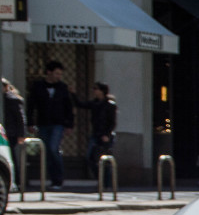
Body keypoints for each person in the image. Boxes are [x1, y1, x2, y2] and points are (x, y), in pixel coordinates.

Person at [27, 61, 77, 189]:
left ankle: (58, 179)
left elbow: (68, 106)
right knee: (47, 151)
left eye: (60, 74)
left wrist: (69, 124)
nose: (58, 76)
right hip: (43, 122)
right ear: (49, 72)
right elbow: (31, 105)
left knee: (53, 148)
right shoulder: (38, 86)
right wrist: (30, 122)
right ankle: (52, 179)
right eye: (56, 73)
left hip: (58, 123)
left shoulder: (62, 87)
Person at [77, 82, 118, 184]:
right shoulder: (94, 103)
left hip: (105, 135)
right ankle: (100, 179)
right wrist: (72, 94)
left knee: (105, 159)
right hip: (95, 134)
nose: (94, 91)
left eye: (96, 89)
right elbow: (81, 104)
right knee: (90, 158)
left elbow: (112, 122)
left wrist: (107, 134)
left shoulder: (110, 105)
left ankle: (106, 183)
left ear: (102, 91)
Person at [2, 78, 26, 153]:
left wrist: (21, 134)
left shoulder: (12, 100)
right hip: (7, 131)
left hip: (11, 132)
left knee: (10, 152)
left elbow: (20, 118)